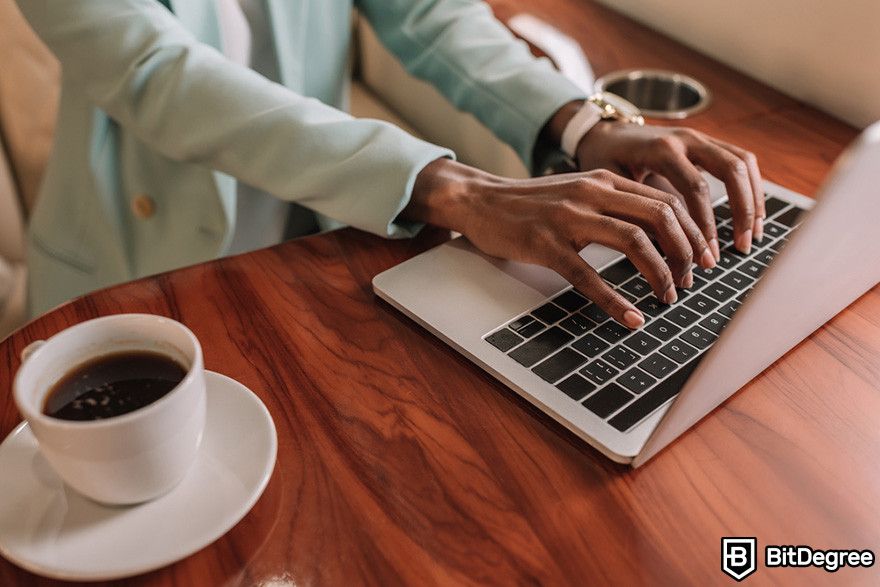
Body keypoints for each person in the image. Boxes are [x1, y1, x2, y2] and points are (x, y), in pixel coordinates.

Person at [18, 0, 764, 328]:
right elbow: (163, 78)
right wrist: (457, 188)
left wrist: (576, 123)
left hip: (303, 235)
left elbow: (426, 12)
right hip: (129, 275)